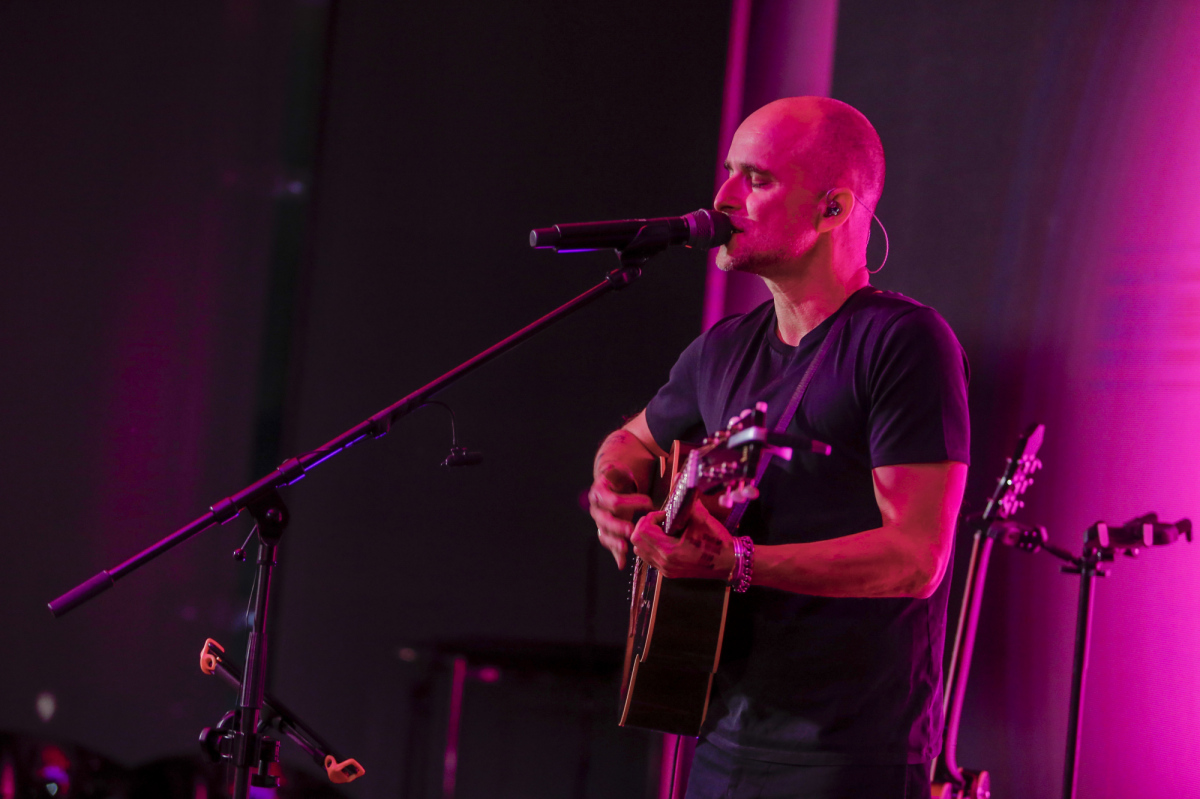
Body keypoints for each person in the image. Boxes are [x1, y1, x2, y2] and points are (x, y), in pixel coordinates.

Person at [587, 96, 970, 799]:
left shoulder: (902, 342)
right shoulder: (722, 349)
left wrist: (738, 562)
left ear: (832, 209)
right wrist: (612, 490)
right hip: (720, 732)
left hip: (848, 755)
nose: (723, 198)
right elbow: (630, 441)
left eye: (756, 179)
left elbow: (918, 558)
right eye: (728, 171)